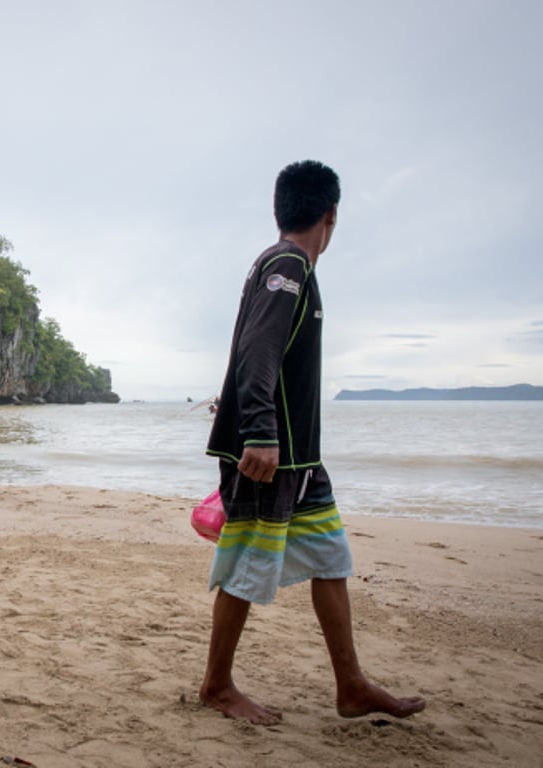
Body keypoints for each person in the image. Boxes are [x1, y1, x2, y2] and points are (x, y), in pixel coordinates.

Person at [199, 160, 425, 725]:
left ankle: (351, 685)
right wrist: (257, 430)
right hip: (270, 456)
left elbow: (256, 351)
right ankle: (217, 686)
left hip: (301, 459)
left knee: (330, 558)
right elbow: (258, 350)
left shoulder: (289, 266)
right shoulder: (288, 265)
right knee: (247, 565)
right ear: (331, 215)